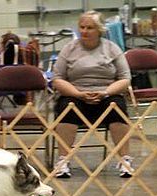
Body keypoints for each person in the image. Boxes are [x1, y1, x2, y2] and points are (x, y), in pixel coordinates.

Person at [52, 11, 133, 178]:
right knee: (67, 107)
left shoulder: (112, 48)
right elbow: (57, 78)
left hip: (106, 94)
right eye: (82, 27)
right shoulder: (69, 49)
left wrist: (105, 92)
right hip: (75, 94)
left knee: (117, 106)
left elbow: (125, 78)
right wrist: (78, 93)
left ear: (100, 30)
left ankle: (125, 161)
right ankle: (63, 161)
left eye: (89, 28)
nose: (84, 31)